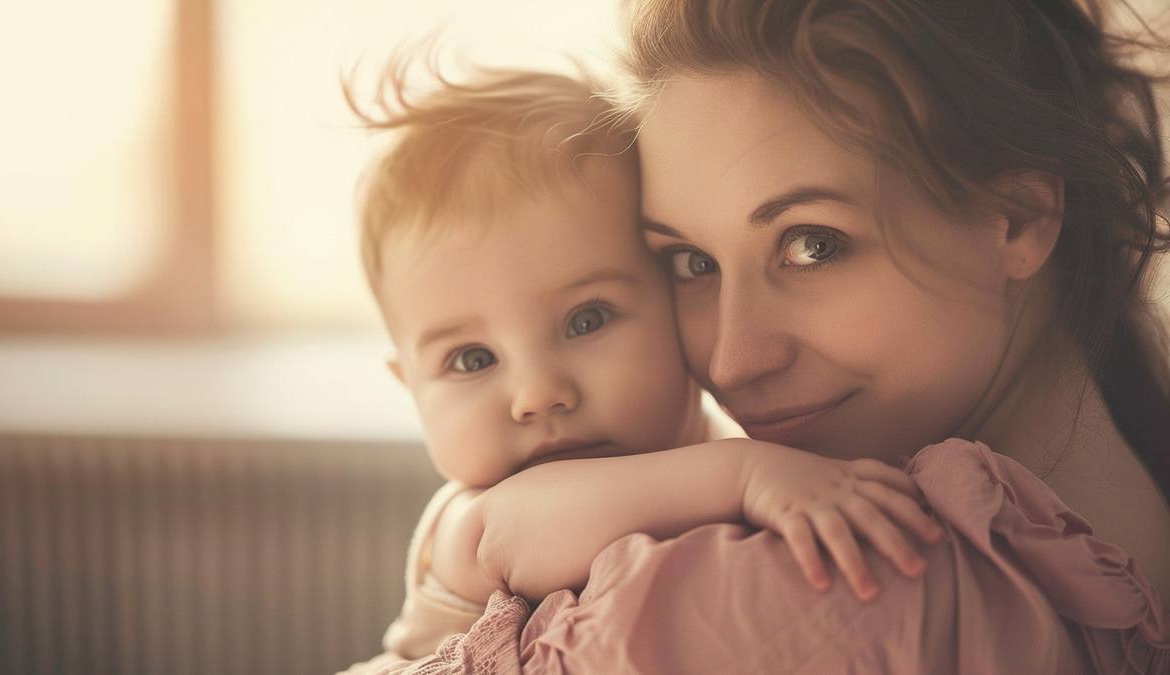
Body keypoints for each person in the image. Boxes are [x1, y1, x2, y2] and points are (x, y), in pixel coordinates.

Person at [356, 0, 1170, 673]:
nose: (730, 361)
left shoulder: (829, 592)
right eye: (691, 262)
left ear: (1017, 218)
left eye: (812, 244)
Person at [338, 64, 946, 674]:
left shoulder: (742, 455)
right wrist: (746, 476)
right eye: (472, 360)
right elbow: (526, 527)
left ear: (675, 296)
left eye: (586, 320)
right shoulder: (471, 522)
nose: (538, 393)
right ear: (410, 387)